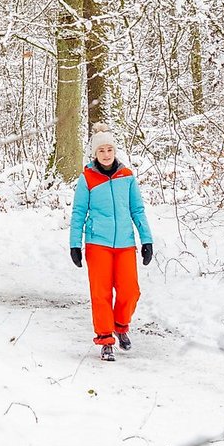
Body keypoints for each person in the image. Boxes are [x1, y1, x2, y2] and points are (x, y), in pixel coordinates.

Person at [69, 128, 153, 361]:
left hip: (125, 243)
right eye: (101, 150)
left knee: (130, 290)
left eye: (109, 149)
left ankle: (120, 325)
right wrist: (74, 244)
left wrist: (146, 239)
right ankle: (106, 339)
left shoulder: (127, 176)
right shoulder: (87, 178)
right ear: (94, 153)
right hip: (98, 243)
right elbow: (78, 213)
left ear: (115, 151)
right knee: (101, 292)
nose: (106, 154)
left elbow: (137, 210)